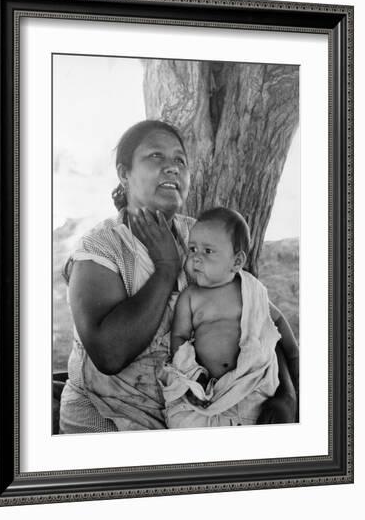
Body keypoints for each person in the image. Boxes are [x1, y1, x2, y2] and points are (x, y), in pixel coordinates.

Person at [59, 120, 297, 433]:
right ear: (124, 174)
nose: (172, 168)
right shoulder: (101, 249)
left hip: (201, 413)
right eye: (156, 157)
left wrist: (287, 394)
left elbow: (256, 317)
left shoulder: (199, 237)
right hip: (112, 418)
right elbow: (109, 354)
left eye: (180, 160)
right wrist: (166, 266)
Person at [160, 207, 299, 428]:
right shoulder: (191, 297)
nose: (196, 258)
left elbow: (278, 322)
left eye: (208, 251)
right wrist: (191, 377)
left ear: (236, 262)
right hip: (204, 388)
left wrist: (294, 359)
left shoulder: (250, 290)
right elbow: (179, 337)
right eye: (192, 249)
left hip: (250, 383)